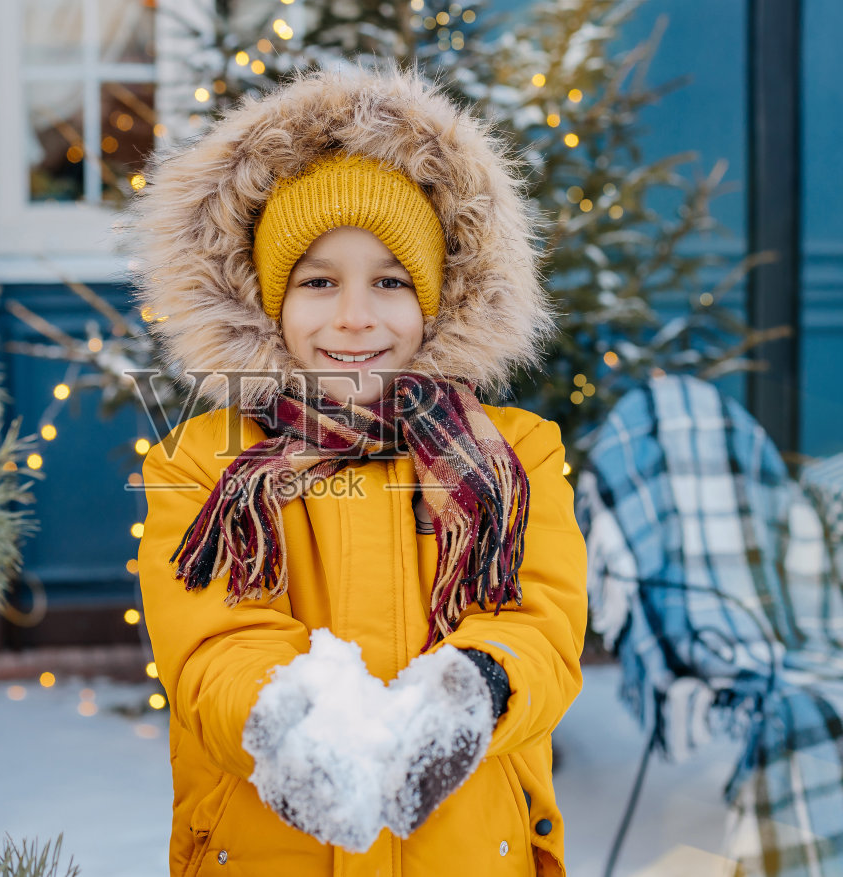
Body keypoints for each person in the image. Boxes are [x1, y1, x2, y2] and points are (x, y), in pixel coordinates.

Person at [125, 62, 588, 876]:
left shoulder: (517, 455)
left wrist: (476, 690)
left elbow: (540, 625)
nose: (354, 317)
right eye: (318, 281)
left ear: (437, 300)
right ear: (266, 300)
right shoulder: (202, 463)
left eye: (390, 281)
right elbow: (213, 645)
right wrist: (287, 721)